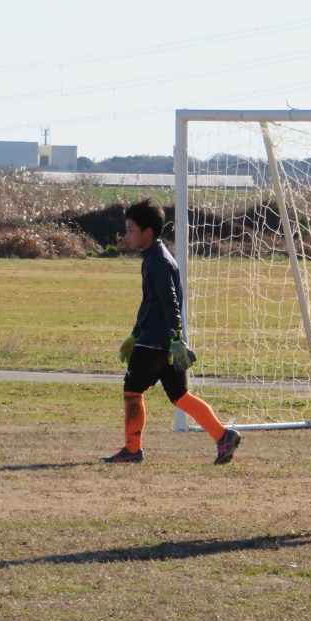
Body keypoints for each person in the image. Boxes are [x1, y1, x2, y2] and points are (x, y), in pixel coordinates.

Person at [102, 198, 241, 466]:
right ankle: (223, 436)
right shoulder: (155, 256)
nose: (126, 235)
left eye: (130, 230)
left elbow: (169, 300)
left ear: (147, 232)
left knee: (132, 391)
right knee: (180, 396)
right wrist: (135, 333)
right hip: (160, 339)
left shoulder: (157, 261)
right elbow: (150, 303)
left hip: (155, 342)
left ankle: (132, 449)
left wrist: (175, 336)